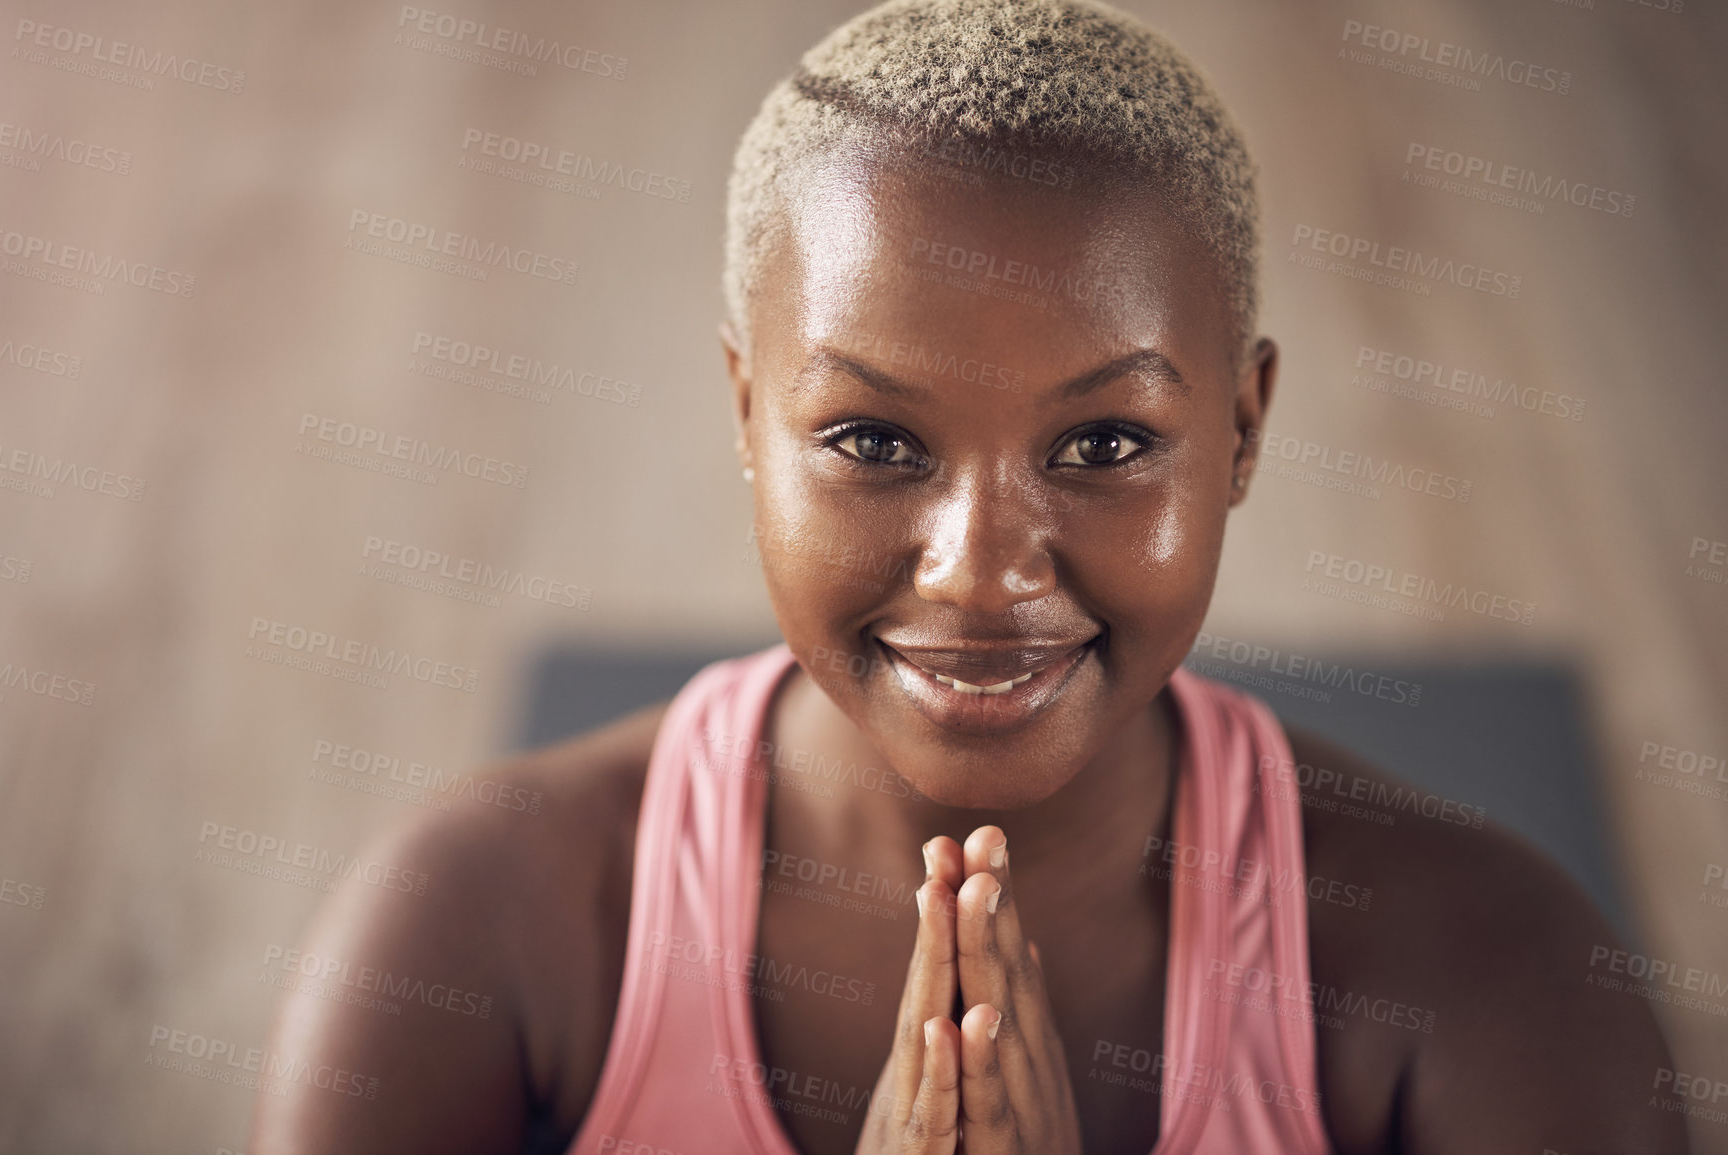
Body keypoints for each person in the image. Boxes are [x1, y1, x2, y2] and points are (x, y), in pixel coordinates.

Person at [250, 1, 1690, 1152]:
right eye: (875, 438)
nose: (984, 570)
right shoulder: (472, 927)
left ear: (1241, 433)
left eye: (1107, 440)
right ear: (747, 418)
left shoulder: (1497, 980)